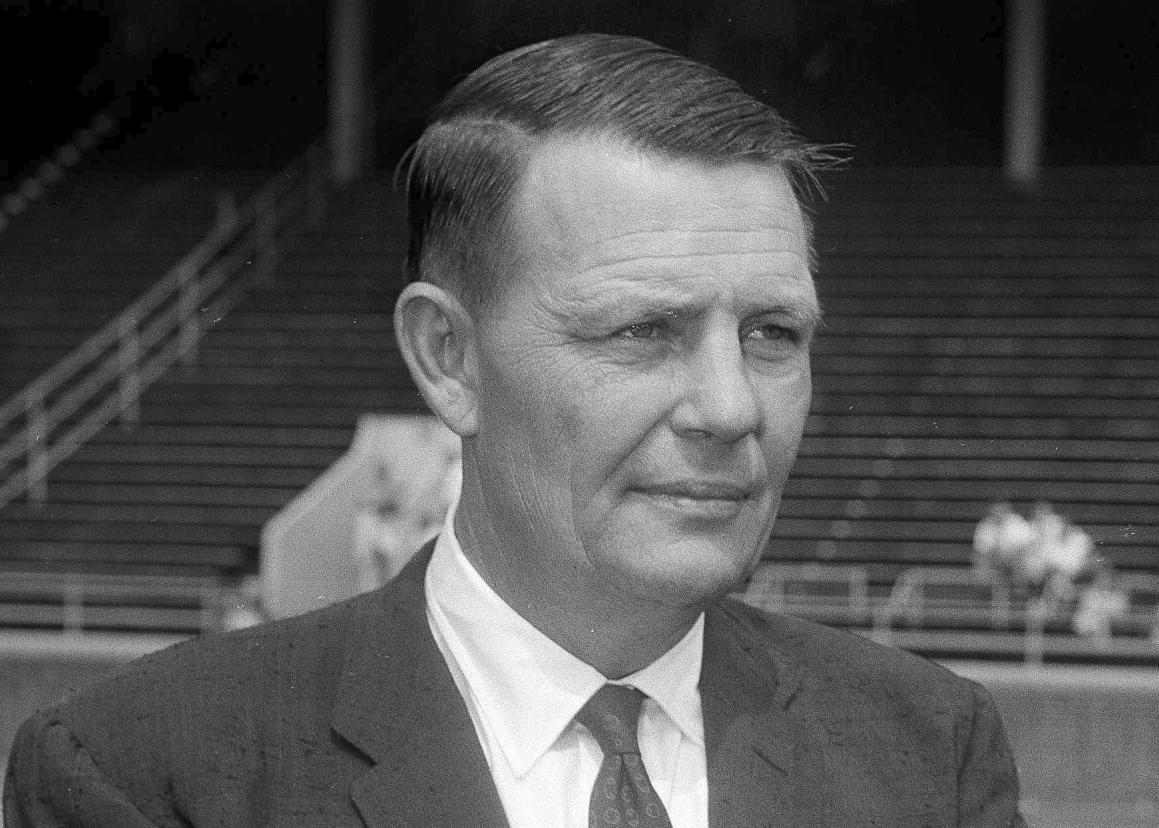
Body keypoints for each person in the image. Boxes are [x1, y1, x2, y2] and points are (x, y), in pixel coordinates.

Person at [4, 34, 1025, 827]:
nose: (729, 408)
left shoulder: (927, 753)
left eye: (771, 333)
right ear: (449, 359)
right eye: (641, 331)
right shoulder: (148, 773)